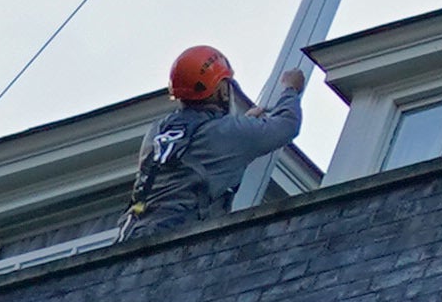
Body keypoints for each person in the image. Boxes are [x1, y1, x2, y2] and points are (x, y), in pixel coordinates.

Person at [125, 41, 311, 236]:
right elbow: (286, 125)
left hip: (131, 236)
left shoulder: (155, 132)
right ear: (222, 88)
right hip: (177, 241)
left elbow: (199, 150)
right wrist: (291, 89)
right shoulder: (228, 133)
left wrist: (243, 127)